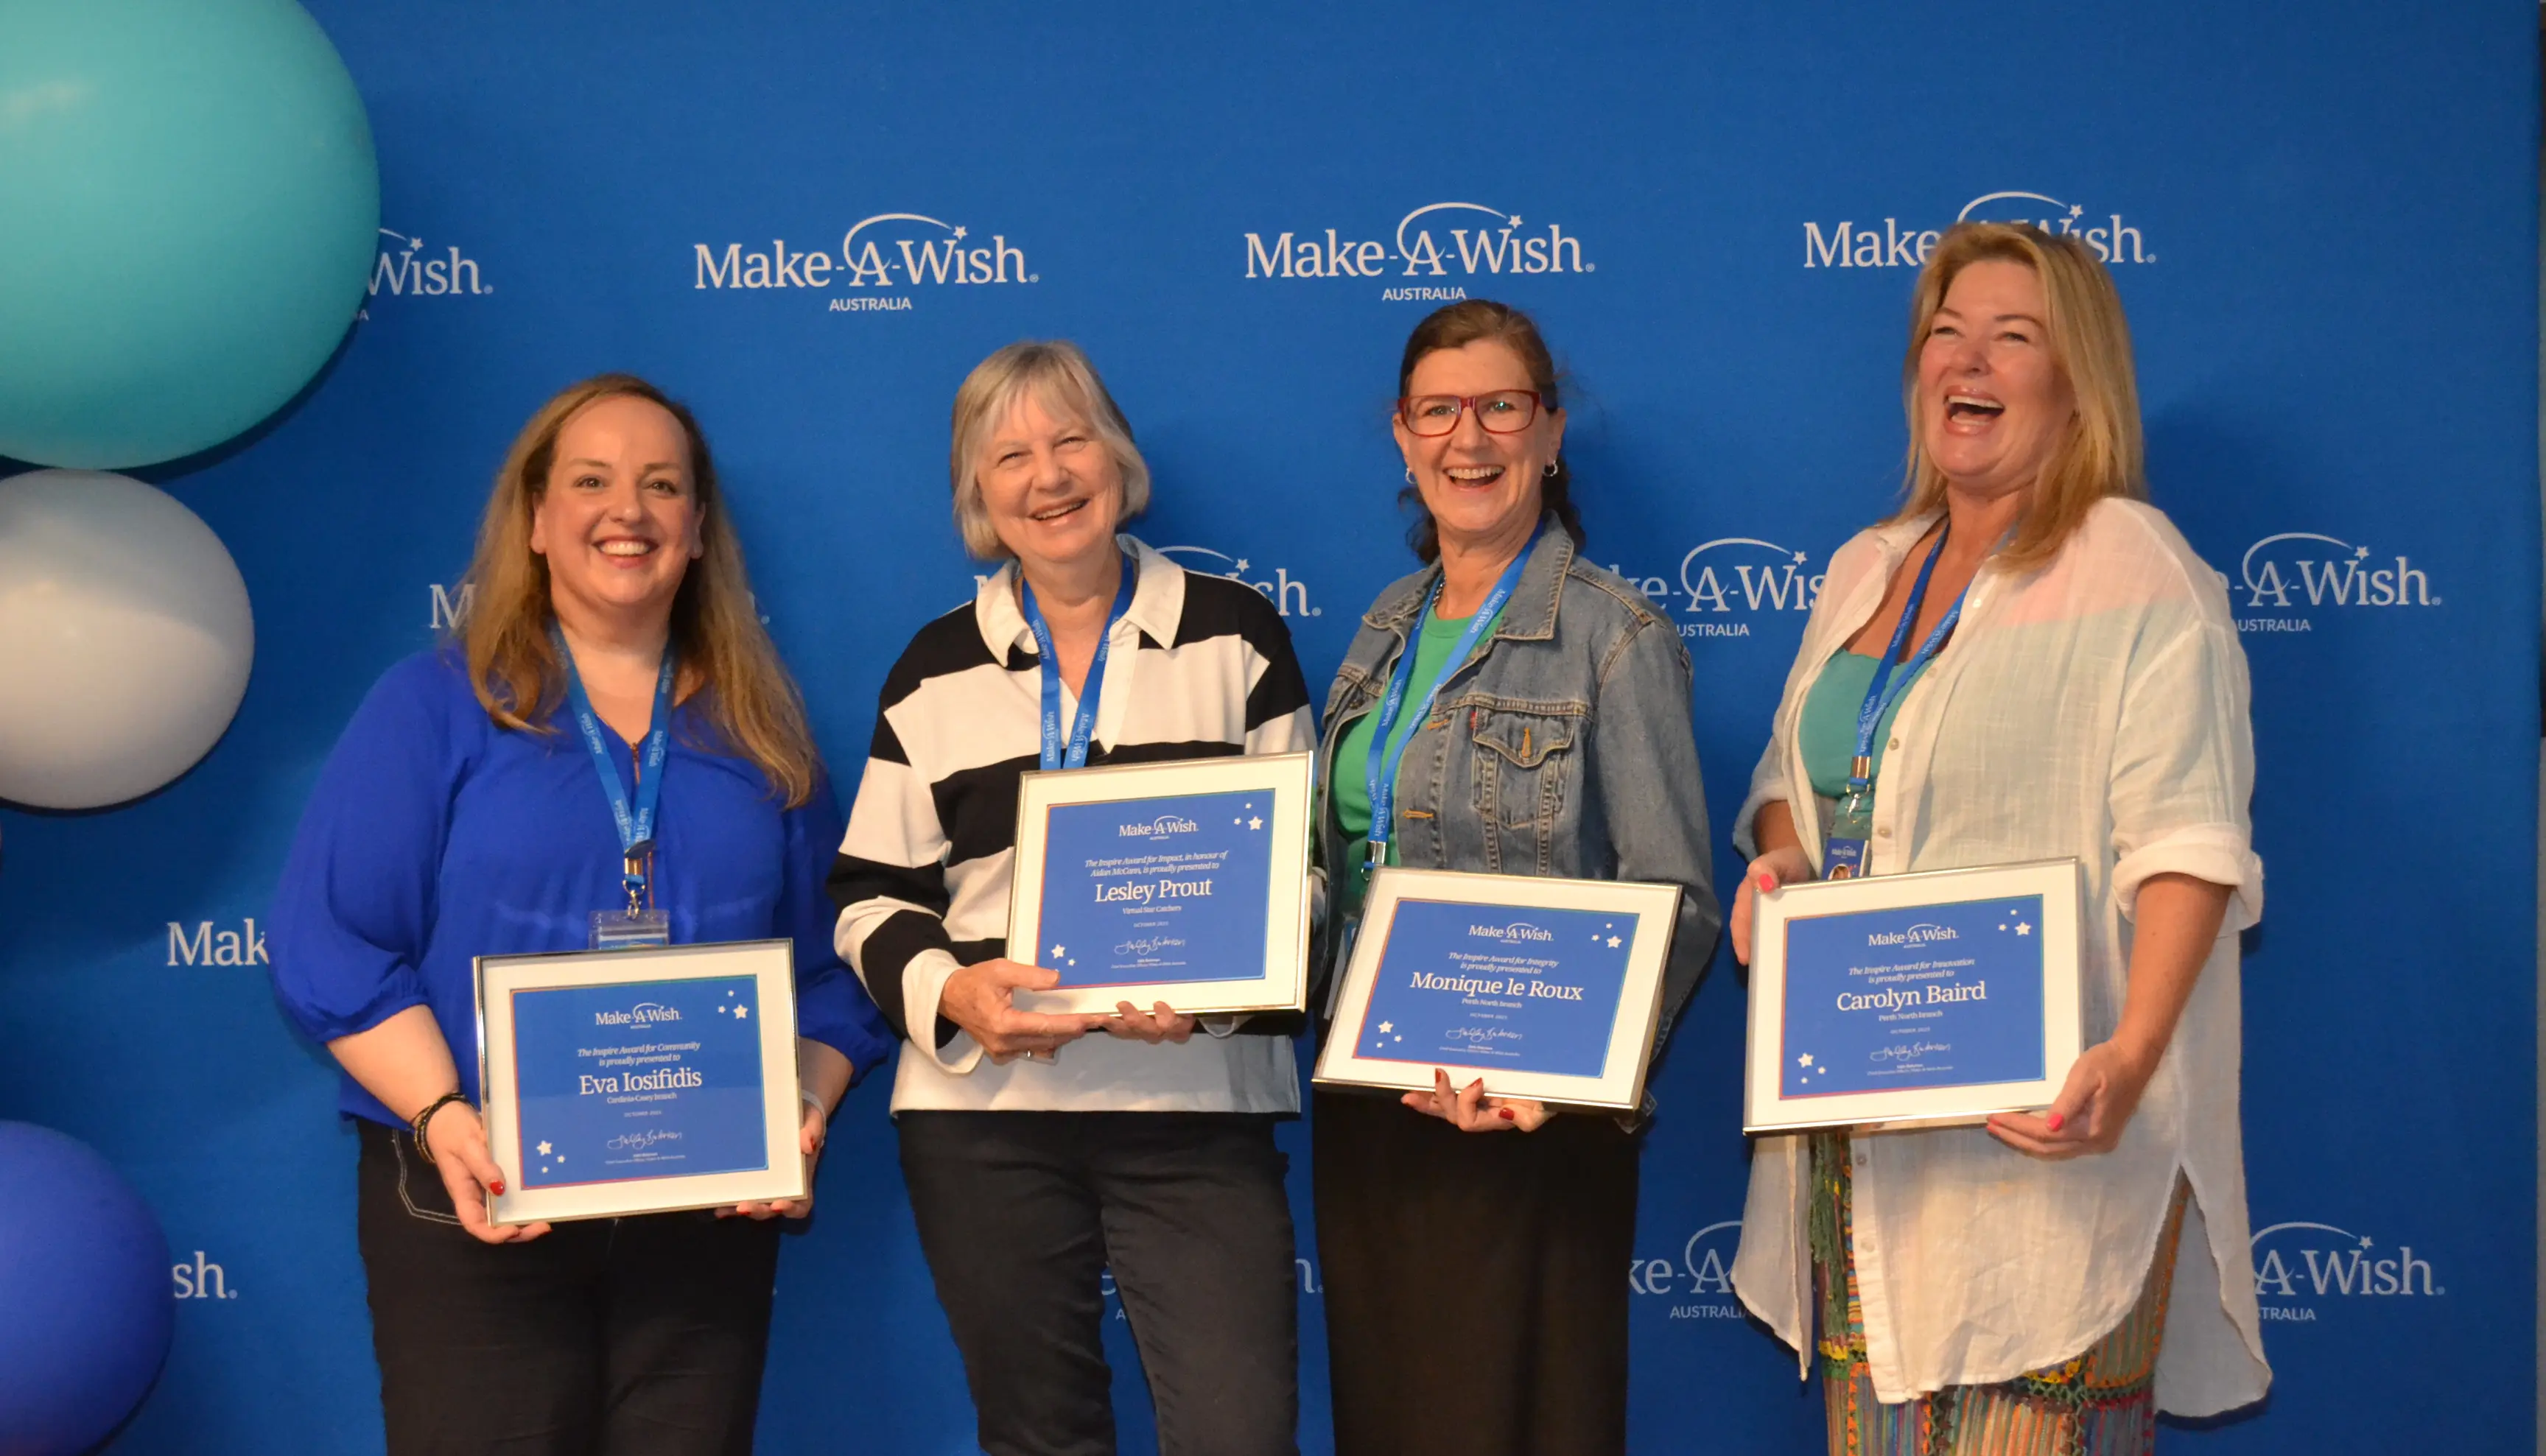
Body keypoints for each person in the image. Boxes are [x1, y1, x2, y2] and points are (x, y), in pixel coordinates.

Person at [267, 374, 894, 1455]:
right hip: (479, 1203)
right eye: (593, 481)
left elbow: (833, 972)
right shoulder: (432, 707)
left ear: (698, 532)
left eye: (663, 485)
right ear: (537, 519)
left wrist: (797, 1107)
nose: (630, 510)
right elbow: (332, 943)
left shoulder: (762, 733)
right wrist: (444, 1119)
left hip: (704, 1221)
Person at [1725, 223, 2270, 1454]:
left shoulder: (2138, 567)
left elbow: (2189, 841)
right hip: (1862, 1160)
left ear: (2078, 380)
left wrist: (2129, 1060)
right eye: (1945, 332)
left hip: (2052, 1156)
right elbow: (1791, 787)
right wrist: (1786, 865)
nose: (1964, 361)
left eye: (2012, 337)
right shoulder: (1864, 567)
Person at [829, 340, 1314, 1456]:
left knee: (1239, 1435)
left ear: (1118, 459)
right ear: (980, 496)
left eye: (1070, 439)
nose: (1047, 476)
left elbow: (1308, 879)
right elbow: (867, 894)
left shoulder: (1235, 634)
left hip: (1190, 1105)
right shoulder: (932, 667)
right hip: (987, 1124)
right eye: (1011, 456)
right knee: (1038, 1437)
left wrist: (1226, 997)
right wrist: (955, 993)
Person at [1310, 299, 1722, 1456]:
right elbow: (1342, 856)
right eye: (1438, 411)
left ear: (1549, 433)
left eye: (1501, 407)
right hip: (1376, 1108)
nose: (1469, 439)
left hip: (1530, 1120)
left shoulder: (1614, 637)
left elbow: (1677, 898)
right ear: (1402, 435)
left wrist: (1565, 1085)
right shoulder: (1383, 627)